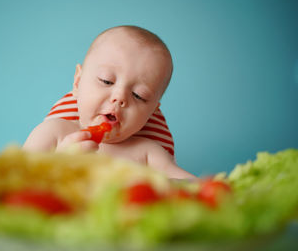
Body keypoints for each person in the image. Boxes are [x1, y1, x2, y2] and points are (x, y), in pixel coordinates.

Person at [23, 25, 197, 180]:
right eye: (106, 81)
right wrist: (56, 165)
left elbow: (191, 186)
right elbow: (16, 180)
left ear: (151, 112)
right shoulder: (54, 133)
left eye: (138, 95)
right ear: (77, 81)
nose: (120, 97)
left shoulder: (148, 153)